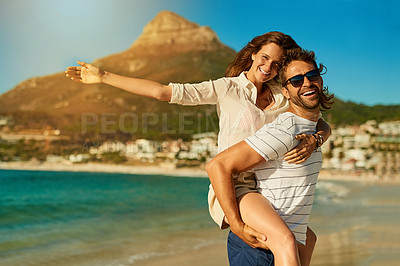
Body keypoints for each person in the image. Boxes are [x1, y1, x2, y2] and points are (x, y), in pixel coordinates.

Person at [65, 32, 330, 262]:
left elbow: (317, 122)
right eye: (264, 57)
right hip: (236, 188)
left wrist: (316, 138)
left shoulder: (283, 93)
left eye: (275, 63)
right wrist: (103, 76)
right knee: (282, 243)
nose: (268, 66)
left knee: (307, 239)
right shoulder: (226, 88)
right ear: (252, 54)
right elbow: (163, 92)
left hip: (269, 190)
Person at [206, 48, 334, 265]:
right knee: (287, 240)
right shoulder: (287, 129)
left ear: (320, 79)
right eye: (296, 80)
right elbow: (217, 165)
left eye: (312, 75)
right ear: (285, 92)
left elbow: (321, 124)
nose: (307, 83)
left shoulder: (313, 129)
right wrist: (236, 225)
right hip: (258, 245)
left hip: (286, 240)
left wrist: (319, 137)